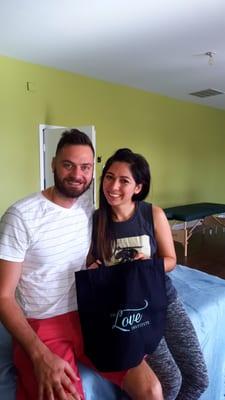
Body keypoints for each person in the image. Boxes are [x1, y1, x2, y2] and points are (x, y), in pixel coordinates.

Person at [88, 148, 209, 400]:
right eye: (109, 177)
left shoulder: (152, 214)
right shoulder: (96, 221)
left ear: (138, 187)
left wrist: (149, 266)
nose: (113, 186)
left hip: (163, 298)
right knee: (171, 382)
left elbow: (171, 260)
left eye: (124, 180)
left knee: (198, 379)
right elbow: (91, 268)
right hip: (131, 312)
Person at [0, 129, 95, 400]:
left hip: (87, 316)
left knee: (150, 387)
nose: (77, 175)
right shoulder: (20, 216)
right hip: (41, 323)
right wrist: (39, 355)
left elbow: (82, 258)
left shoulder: (86, 208)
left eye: (85, 167)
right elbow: (3, 296)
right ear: (53, 164)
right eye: (68, 165)